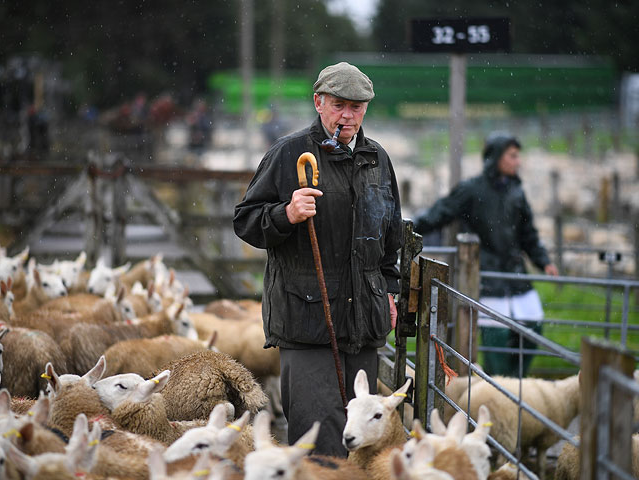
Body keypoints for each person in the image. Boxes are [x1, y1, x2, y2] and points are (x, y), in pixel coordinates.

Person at [234, 62, 402, 456]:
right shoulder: (289, 153)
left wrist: (389, 292)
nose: (348, 115)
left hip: (364, 321)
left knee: (363, 436)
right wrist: (285, 214)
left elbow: (390, 236)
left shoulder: (377, 160)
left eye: (357, 107)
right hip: (307, 320)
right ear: (319, 102)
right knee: (319, 438)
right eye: (340, 105)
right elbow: (245, 221)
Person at [415, 132, 558, 377]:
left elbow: (528, 234)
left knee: (533, 327)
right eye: (512, 156)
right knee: (496, 336)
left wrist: (543, 261)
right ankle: (499, 386)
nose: (518, 161)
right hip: (486, 276)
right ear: (496, 158)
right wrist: (406, 228)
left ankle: (516, 383)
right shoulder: (471, 190)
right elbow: (439, 213)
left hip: (515, 276)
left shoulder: (516, 192)